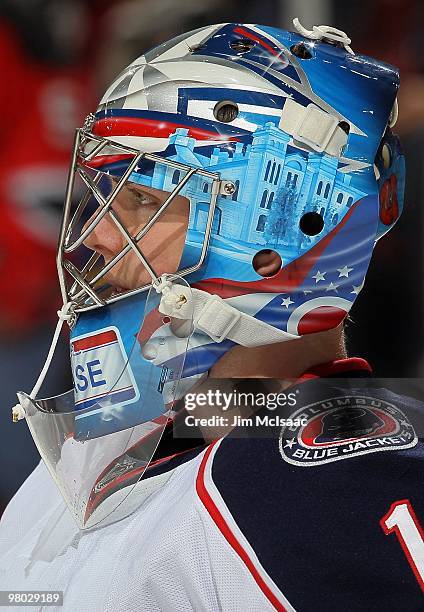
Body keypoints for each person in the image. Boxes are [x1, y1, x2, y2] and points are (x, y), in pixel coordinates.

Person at [0, 18, 422, 611]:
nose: (95, 233)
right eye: (104, 196)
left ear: (275, 242)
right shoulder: (107, 448)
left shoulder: (317, 493)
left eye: (146, 199)